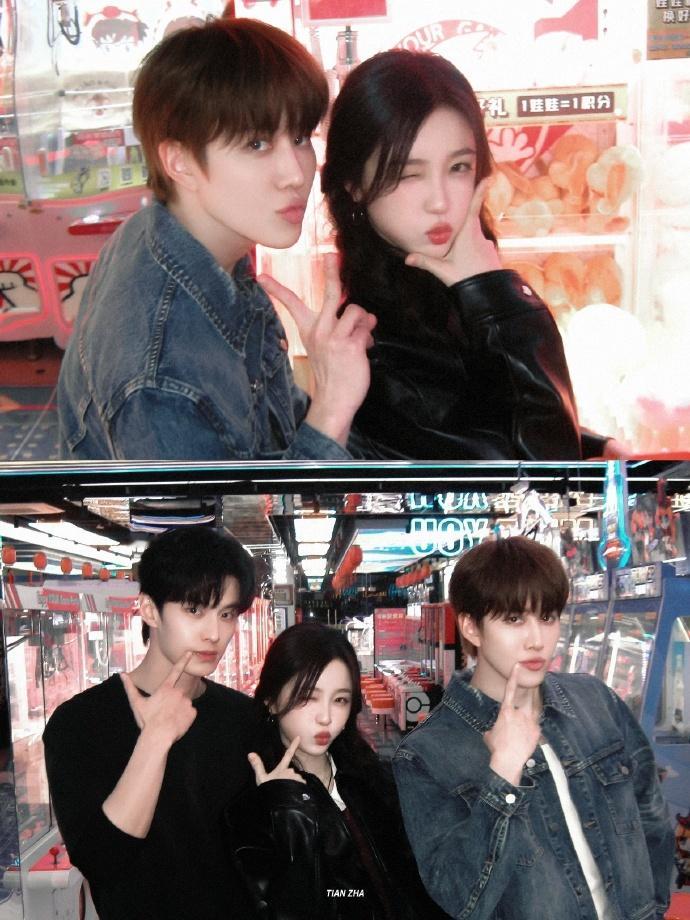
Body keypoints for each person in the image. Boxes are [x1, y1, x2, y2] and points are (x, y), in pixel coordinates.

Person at [57, 18, 375, 460]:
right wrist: (333, 404)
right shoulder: (165, 377)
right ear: (180, 162)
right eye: (256, 144)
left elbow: (268, 437)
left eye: (300, 136)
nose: (296, 173)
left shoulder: (175, 234)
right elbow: (244, 510)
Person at [321, 49, 603, 460]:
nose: (440, 201)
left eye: (458, 168)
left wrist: (594, 444)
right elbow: (542, 472)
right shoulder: (373, 347)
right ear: (354, 185)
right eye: (408, 174)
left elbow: (491, 414)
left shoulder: (441, 288)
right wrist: (496, 296)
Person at [392, 536, 674, 920]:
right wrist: (503, 774)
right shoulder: (426, 755)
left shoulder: (595, 702)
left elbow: (653, 821)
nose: (536, 640)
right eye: (514, 620)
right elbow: (461, 899)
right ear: (471, 627)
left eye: (547, 617)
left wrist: (652, 910)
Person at [43, 526, 263, 920]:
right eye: (194, 610)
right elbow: (101, 862)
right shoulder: (80, 723)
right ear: (148, 610)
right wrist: (155, 739)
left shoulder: (243, 718)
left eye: (227, 614)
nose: (214, 633)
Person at [225, 621, 448, 919]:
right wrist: (288, 810)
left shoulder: (370, 777)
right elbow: (292, 905)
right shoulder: (253, 807)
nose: (326, 717)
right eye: (308, 697)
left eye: (340, 699)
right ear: (272, 701)